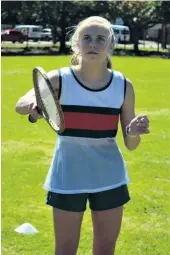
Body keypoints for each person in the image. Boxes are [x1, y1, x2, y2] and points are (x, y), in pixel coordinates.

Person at [16, 16, 150, 255]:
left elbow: (131, 144)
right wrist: (33, 105)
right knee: (65, 250)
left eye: (100, 39)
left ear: (110, 45)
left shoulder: (123, 85)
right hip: (68, 175)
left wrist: (133, 131)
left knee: (105, 250)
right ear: (76, 44)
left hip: (110, 177)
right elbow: (21, 103)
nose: (93, 44)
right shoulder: (60, 78)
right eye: (86, 38)